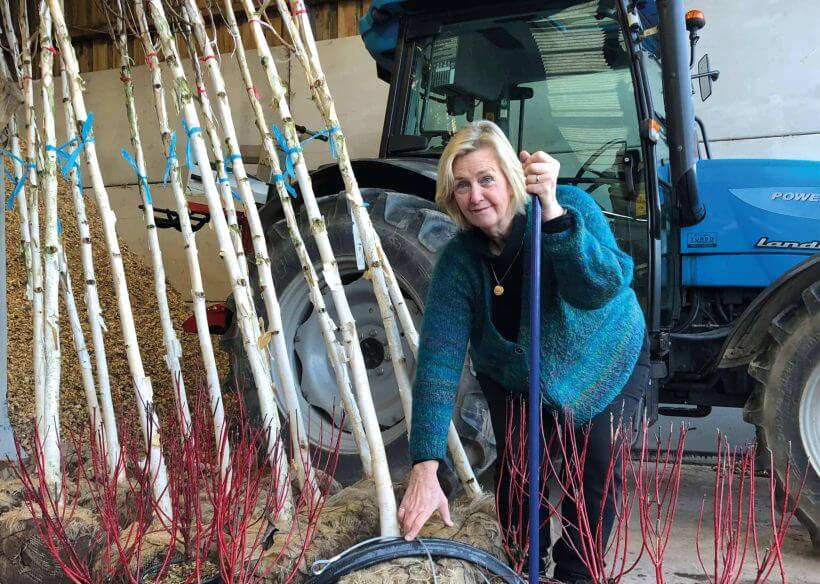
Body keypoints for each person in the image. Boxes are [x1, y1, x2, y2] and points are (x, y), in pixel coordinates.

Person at [397, 120, 649, 583]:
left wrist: (553, 217)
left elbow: (598, 289)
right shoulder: (459, 261)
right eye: (462, 187)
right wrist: (425, 464)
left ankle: (576, 576)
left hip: (602, 357)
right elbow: (438, 360)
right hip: (516, 376)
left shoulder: (570, 207)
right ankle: (518, 570)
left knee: (592, 470)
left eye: (486, 179)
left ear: (511, 176)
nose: (475, 196)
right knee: (516, 477)